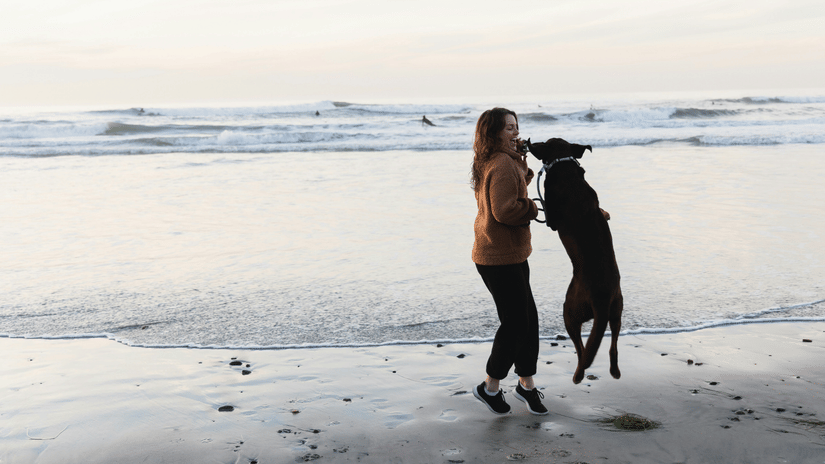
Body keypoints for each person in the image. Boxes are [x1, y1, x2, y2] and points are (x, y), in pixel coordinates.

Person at [469, 107, 548, 416]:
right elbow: (504, 210)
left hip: (506, 253)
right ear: (494, 133)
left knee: (528, 320)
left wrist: (522, 161)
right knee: (516, 324)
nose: (516, 133)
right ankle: (489, 387)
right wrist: (531, 209)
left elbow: (518, 183)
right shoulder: (501, 164)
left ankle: (526, 386)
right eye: (509, 129)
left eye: (517, 127)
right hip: (498, 257)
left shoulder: (496, 160)